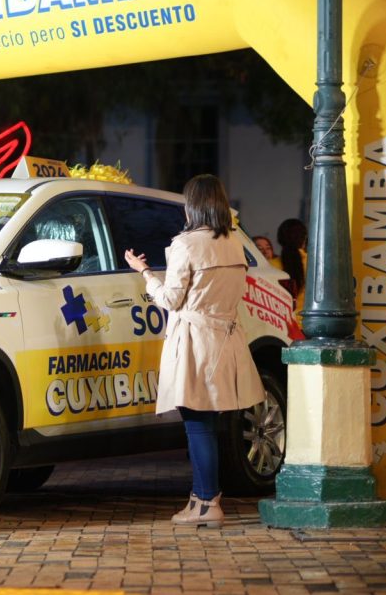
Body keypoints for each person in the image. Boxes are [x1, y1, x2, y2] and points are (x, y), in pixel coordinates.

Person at [124, 174, 265, 527]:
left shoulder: (186, 244)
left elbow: (171, 299)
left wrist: (144, 272)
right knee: (209, 423)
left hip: (194, 340)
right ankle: (200, 498)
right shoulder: (234, 243)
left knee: (197, 424)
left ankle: (207, 502)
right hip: (226, 339)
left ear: (193, 205)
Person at [276, 218, 308, 313]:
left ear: (280, 239)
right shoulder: (316, 265)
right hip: (308, 323)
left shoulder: (270, 266)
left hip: (278, 322)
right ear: (304, 238)